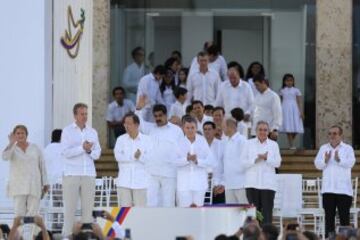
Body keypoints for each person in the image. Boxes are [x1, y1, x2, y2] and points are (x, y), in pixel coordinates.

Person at [61, 103, 102, 236]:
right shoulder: (67, 131)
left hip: (89, 174)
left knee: (88, 211)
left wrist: (89, 150)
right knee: (69, 210)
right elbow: (65, 152)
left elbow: (97, 154)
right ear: (75, 115)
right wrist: (81, 148)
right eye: (82, 114)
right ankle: (67, 236)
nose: (85, 116)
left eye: (86, 114)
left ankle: (87, 236)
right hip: (71, 174)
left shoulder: (92, 132)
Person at [135, 96, 184, 207]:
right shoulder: (150, 128)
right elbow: (139, 124)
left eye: (160, 115)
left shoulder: (177, 131)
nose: (158, 118)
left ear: (166, 115)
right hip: (152, 172)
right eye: (155, 116)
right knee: (151, 202)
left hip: (170, 172)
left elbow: (182, 152)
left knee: (168, 203)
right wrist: (138, 109)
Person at [314, 125, 355, 238]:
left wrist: (339, 160)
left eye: (335, 133)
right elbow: (317, 165)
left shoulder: (347, 148)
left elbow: (351, 163)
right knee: (329, 219)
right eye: (330, 133)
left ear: (340, 135)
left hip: (344, 190)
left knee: (344, 219)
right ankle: (329, 238)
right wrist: (325, 160)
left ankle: (345, 239)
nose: (332, 136)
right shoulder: (323, 148)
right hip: (328, 189)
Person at [2, 125, 48, 217]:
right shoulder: (12, 149)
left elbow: (42, 165)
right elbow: (5, 157)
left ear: (26, 134)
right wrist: (11, 143)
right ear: (14, 135)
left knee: (33, 214)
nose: (20, 135)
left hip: (34, 185)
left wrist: (45, 183)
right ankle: (20, 231)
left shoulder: (35, 147)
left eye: (22, 133)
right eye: (18, 133)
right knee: (19, 214)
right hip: (18, 186)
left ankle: (32, 232)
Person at [241, 121, 281, 224]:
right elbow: (242, 163)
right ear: (256, 131)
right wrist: (255, 160)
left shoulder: (274, 145)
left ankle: (266, 236)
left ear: (268, 132)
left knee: (267, 214)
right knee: (254, 214)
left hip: (268, 185)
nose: (262, 132)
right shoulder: (248, 143)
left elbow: (278, 163)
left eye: (265, 130)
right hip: (252, 184)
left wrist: (267, 158)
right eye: (260, 129)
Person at [175, 115, 215, 207]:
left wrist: (198, 161)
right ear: (183, 128)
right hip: (184, 184)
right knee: (184, 213)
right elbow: (174, 161)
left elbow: (211, 161)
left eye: (192, 127)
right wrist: (187, 159)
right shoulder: (178, 142)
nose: (190, 130)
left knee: (198, 212)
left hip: (199, 184)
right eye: (187, 128)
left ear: (196, 128)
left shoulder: (202, 141)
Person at [114, 113, 151, 206]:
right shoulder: (120, 139)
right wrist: (133, 157)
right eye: (125, 123)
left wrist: (140, 157)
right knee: (124, 212)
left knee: (141, 212)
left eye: (129, 123)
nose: (126, 126)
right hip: (124, 181)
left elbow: (150, 159)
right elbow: (118, 157)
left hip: (141, 182)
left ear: (137, 125)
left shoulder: (147, 140)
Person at [222, 118, 247, 204]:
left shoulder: (242, 140)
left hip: (241, 183)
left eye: (223, 127)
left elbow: (246, 161)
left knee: (245, 211)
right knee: (231, 213)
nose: (222, 129)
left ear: (230, 127)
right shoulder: (226, 141)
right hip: (229, 184)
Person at [252, 74, 282, 141]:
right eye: (255, 85)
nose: (256, 87)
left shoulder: (273, 96)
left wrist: (275, 129)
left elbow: (278, 114)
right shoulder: (256, 96)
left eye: (257, 85)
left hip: (268, 132)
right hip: (256, 131)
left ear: (263, 82)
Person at [279, 73, 304, 149]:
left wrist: (301, 111)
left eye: (291, 81)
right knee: (288, 126)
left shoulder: (296, 90)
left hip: (294, 109)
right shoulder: (282, 91)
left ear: (293, 81)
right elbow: (280, 101)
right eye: (287, 81)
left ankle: (291, 141)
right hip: (285, 109)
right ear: (284, 82)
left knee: (296, 126)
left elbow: (299, 101)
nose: (289, 82)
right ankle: (291, 144)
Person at [203, 121, 225, 204]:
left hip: (218, 186)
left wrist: (222, 183)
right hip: (203, 186)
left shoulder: (221, 145)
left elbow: (225, 166)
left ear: (214, 130)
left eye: (209, 129)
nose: (207, 131)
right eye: (205, 129)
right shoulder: (200, 145)